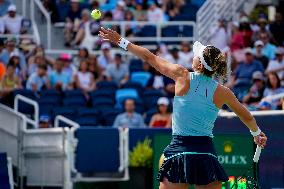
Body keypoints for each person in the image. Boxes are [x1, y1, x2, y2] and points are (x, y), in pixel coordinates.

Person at [99, 27, 267, 189]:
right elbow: (246, 115)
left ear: (199, 65)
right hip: (205, 155)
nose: (193, 57)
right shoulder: (223, 92)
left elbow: (149, 57)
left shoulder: (182, 75)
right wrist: (256, 133)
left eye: (196, 56)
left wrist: (120, 41)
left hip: (179, 152)